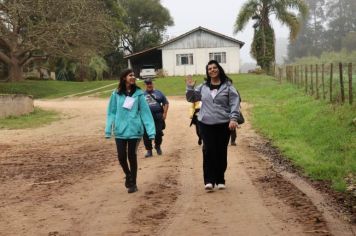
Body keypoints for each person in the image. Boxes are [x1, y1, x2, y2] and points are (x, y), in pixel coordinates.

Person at [185, 60, 241, 191]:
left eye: (214, 68)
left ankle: (220, 179)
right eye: (209, 69)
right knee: (209, 150)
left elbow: (234, 103)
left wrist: (233, 118)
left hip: (223, 124)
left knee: (221, 151)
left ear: (219, 69)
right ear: (207, 72)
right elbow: (191, 98)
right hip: (206, 123)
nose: (212, 70)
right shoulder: (203, 87)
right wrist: (189, 87)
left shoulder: (228, 86)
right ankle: (209, 180)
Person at [105, 69, 155, 193]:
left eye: (134, 75)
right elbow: (111, 112)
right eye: (130, 75)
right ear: (124, 78)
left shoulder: (139, 94)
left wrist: (151, 131)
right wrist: (108, 129)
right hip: (120, 131)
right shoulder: (115, 94)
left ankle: (133, 184)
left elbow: (145, 113)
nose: (133, 77)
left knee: (131, 156)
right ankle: (128, 175)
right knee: (121, 157)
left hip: (135, 131)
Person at [143, 78, 169, 157]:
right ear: (145, 85)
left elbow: (166, 103)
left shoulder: (159, 93)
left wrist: (164, 113)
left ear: (152, 84)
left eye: (150, 83)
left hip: (158, 116)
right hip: (146, 117)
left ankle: (157, 146)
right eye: (147, 84)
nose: (149, 85)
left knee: (158, 133)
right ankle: (149, 150)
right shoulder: (141, 94)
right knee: (146, 134)